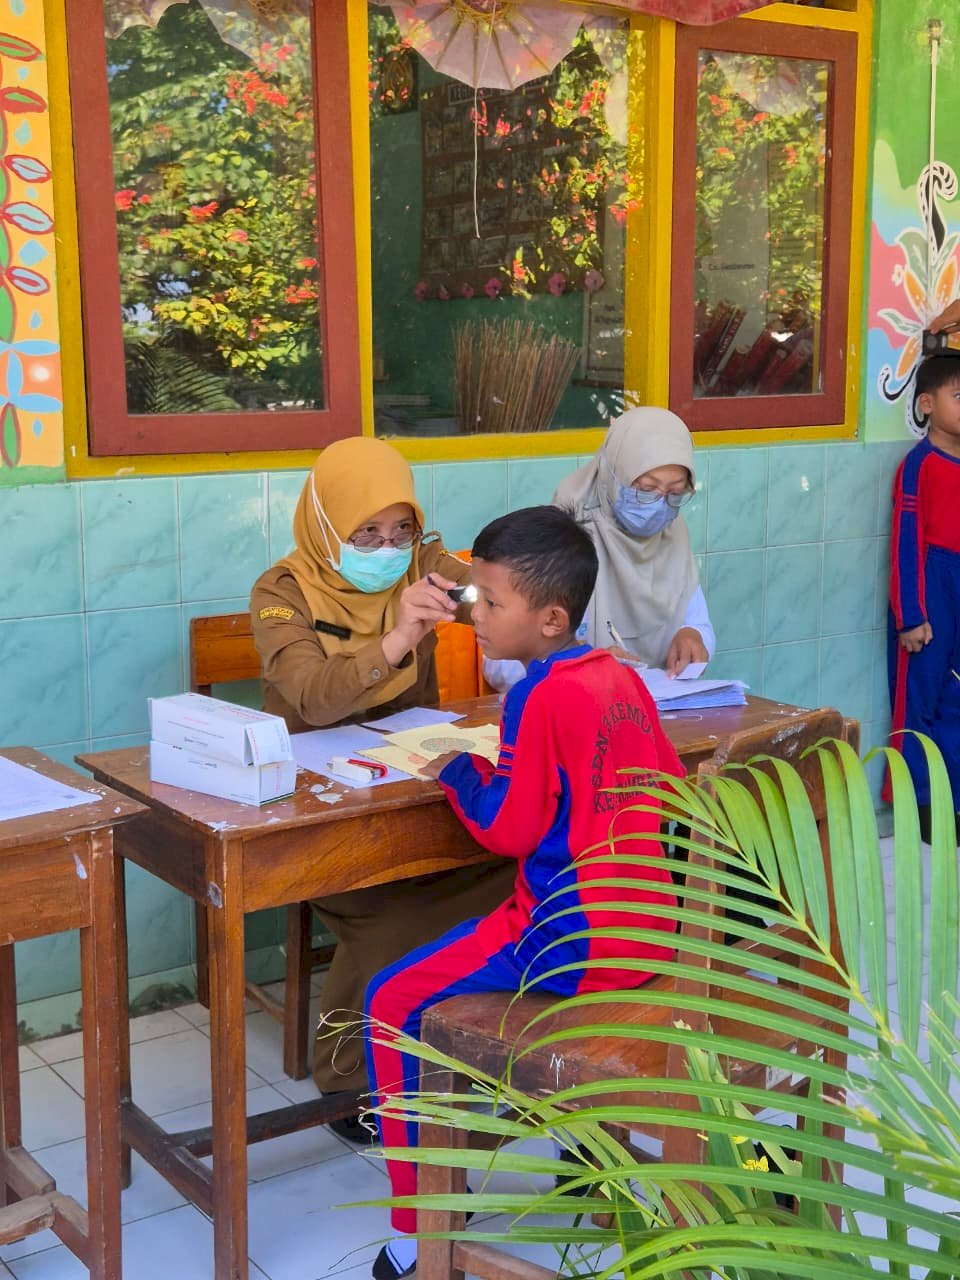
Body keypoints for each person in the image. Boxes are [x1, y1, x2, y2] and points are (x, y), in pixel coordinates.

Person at [362, 505, 683, 1280]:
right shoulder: (620, 677)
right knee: (455, 952)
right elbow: (669, 784)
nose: (475, 615)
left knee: (389, 1000)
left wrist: (457, 770)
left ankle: (417, 1230)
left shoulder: (534, 698)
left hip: (570, 940)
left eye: (491, 602)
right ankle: (577, 1147)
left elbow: (507, 829)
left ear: (550, 619)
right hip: (650, 928)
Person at [250, 437, 516, 1130]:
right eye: (366, 532)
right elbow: (311, 698)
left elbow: (490, 595)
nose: (388, 547)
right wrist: (398, 637)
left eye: (401, 529)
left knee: (523, 861)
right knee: (389, 915)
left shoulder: (422, 563)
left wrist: (497, 603)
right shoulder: (282, 591)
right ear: (325, 523)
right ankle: (347, 1082)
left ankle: (471, 1035)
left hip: (413, 788)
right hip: (320, 809)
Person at [483, 407, 714, 692]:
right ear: (612, 477)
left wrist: (693, 636)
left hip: (652, 706)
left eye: (675, 493)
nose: (658, 506)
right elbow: (500, 666)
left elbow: (697, 621)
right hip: (567, 708)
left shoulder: (672, 534)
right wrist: (583, 664)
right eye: (645, 490)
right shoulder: (566, 536)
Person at [886, 353, 960, 838]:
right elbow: (906, 543)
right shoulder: (919, 466)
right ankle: (922, 808)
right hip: (933, 595)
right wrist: (910, 615)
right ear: (928, 404)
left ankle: (954, 801)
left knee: (956, 697)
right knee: (920, 704)